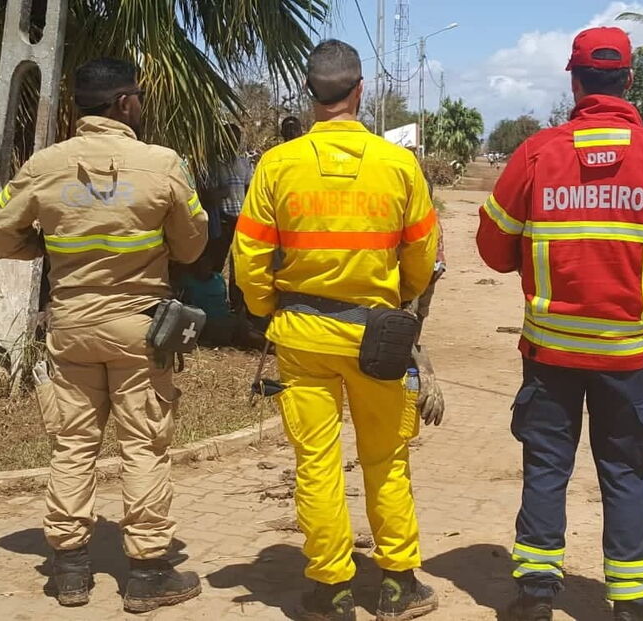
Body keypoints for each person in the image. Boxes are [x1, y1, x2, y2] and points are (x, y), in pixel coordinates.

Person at [475, 27, 643, 621]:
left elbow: (493, 249)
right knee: (625, 473)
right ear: (629, 80)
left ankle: (535, 595)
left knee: (547, 467)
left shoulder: (537, 152)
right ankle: (632, 602)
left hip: (549, 354)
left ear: (574, 80)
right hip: (628, 356)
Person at [0, 58, 208, 613]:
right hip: (140, 329)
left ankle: (69, 570)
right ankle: (149, 573)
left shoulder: (44, 165)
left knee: (73, 443)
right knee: (144, 445)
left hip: (72, 326)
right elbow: (191, 246)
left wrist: (49, 248)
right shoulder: (162, 164)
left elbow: (1, 234)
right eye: (139, 98)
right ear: (125, 103)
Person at [233, 39, 441, 621]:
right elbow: (422, 255)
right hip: (378, 338)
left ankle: (332, 591)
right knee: (386, 459)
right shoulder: (399, 165)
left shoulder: (277, 165)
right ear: (361, 90)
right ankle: (398, 584)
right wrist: (400, 300)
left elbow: (249, 258)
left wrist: (266, 307)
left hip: (301, 336)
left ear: (308, 91)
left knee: (317, 464)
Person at [203, 123, 253, 311]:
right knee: (216, 263)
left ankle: (237, 305)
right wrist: (221, 193)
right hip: (222, 221)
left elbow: (249, 191)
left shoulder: (244, 163)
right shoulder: (213, 164)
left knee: (240, 265)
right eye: (229, 137)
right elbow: (207, 195)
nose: (233, 141)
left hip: (241, 221)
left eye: (236, 138)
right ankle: (215, 304)